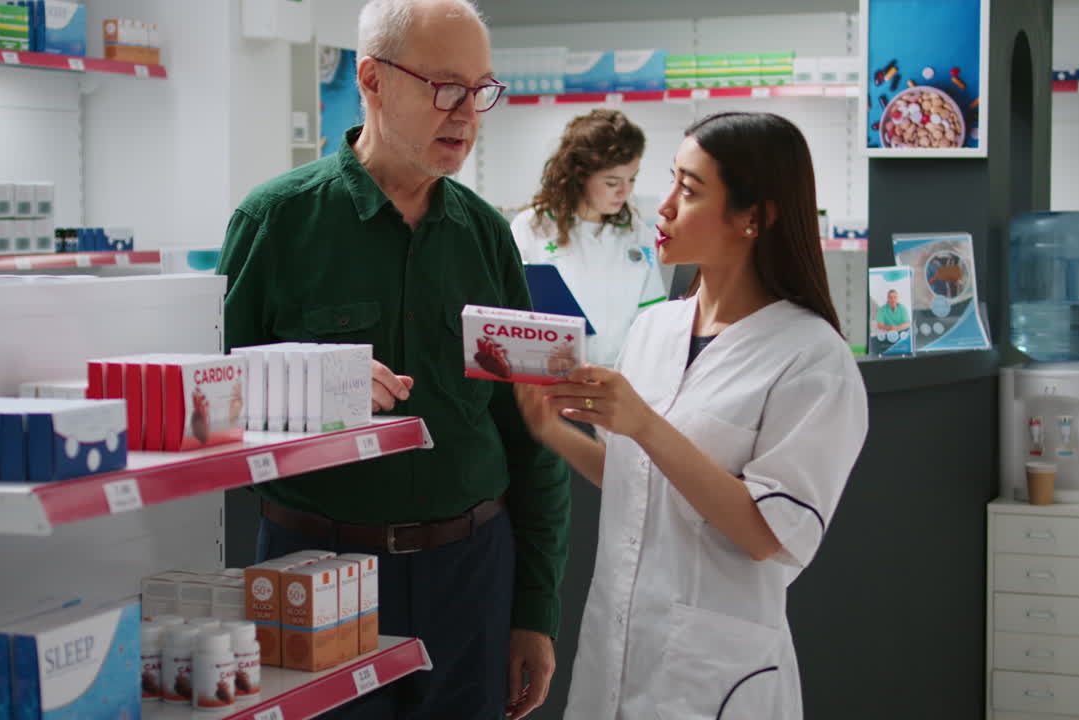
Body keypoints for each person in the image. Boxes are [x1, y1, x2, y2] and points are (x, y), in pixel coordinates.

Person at [215, 1, 569, 718]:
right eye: (445, 87)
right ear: (372, 80)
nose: (467, 112)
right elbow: (205, 410)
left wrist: (534, 607)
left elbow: (533, 436)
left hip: (472, 573)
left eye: (482, 90)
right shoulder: (275, 223)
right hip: (314, 573)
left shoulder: (487, 237)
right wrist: (308, 385)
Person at [515, 112, 869, 719]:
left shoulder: (812, 359)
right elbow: (638, 477)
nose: (664, 207)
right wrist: (552, 431)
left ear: (754, 216)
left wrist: (647, 425)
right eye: (672, 182)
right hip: (617, 647)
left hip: (714, 673)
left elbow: (768, 533)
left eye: (691, 189)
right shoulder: (655, 327)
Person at [510, 109, 667, 367]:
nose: (625, 191)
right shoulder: (531, 228)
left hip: (620, 379)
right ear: (579, 176)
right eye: (612, 181)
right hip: (550, 379)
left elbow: (650, 319)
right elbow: (514, 316)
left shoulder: (636, 233)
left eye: (632, 179)